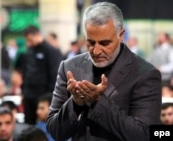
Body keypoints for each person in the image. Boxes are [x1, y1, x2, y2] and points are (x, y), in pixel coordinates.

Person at [46, 2, 161, 141]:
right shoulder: (69, 67)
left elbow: (144, 135)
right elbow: (54, 131)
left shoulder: (145, 74)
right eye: (91, 42)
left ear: (121, 35)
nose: (96, 51)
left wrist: (98, 102)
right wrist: (75, 103)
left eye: (105, 43)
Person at [23, 26, 62, 124]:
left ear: (37, 35)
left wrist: (49, 96)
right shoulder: (30, 51)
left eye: (30, 40)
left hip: (42, 95)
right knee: (29, 123)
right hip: (28, 94)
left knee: (45, 123)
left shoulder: (51, 51)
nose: (29, 43)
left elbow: (54, 74)